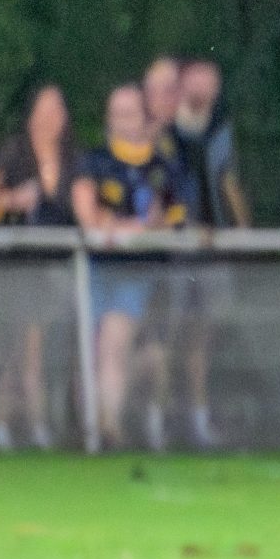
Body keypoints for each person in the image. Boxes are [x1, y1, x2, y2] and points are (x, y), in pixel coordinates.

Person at [71, 83, 187, 451]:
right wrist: (132, 226)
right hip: (94, 270)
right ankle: (90, 429)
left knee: (113, 342)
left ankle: (108, 428)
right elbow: (89, 217)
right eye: (116, 114)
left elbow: (172, 221)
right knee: (93, 351)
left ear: (144, 118)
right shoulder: (95, 162)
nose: (123, 121)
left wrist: (134, 227)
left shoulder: (163, 167)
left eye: (130, 113)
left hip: (137, 272)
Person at [162, 57, 251, 450]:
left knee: (204, 335)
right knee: (170, 332)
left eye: (209, 84)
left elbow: (228, 181)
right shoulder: (165, 130)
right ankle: (160, 415)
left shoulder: (220, 131)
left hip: (214, 248)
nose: (202, 91)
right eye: (195, 83)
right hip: (175, 248)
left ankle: (197, 418)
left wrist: (242, 231)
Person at [0, 86, 81, 450]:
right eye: (44, 110)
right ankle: (33, 428)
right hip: (21, 269)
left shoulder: (73, 160)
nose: (51, 118)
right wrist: (13, 200)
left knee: (34, 352)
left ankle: (8, 425)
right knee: (28, 350)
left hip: (63, 270)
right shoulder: (13, 154)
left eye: (57, 110)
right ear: (30, 117)